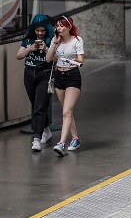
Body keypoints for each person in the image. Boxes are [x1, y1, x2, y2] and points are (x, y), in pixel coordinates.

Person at [45, 15, 85, 156]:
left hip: (72, 77)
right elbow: (48, 59)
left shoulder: (77, 41)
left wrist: (75, 60)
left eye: (62, 25)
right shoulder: (55, 41)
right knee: (67, 111)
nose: (59, 28)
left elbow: (81, 59)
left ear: (68, 27)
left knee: (66, 112)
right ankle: (75, 139)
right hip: (59, 77)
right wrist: (55, 43)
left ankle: (61, 143)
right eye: (57, 26)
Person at [16, 14, 55, 152]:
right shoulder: (28, 40)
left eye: (42, 31)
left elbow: (54, 58)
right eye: (37, 30)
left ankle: (36, 139)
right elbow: (18, 56)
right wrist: (30, 48)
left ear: (47, 30)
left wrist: (45, 49)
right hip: (29, 74)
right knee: (37, 105)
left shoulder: (52, 40)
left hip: (44, 74)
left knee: (39, 106)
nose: (39, 33)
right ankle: (46, 130)